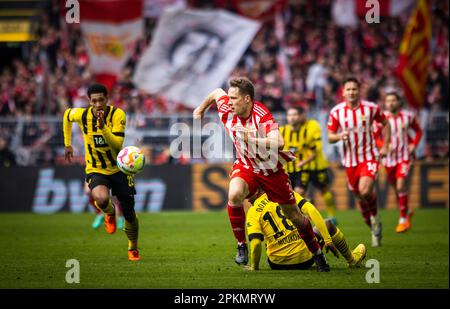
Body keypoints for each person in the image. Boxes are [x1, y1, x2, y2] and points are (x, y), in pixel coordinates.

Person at [194, 77, 337, 270]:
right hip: (246, 166)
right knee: (234, 194)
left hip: (271, 170)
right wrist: (201, 108)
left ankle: (318, 255)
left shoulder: (260, 115)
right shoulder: (228, 109)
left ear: (247, 99)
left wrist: (251, 138)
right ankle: (241, 246)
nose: (229, 102)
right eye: (229, 98)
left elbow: (279, 142)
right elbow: (216, 93)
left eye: (234, 98)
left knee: (294, 216)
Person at [63, 83, 140, 261]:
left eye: (101, 100)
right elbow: (67, 115)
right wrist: (67, 143)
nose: (97, 104)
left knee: (130, 214)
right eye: (94, 101)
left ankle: (133, 247)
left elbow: (117, 145)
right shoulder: (82, 115)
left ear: (107, 99)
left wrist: (102, 127)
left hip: (119, 169)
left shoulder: (117, 114)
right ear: (89, 101)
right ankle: (110, 213)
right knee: (102, 198)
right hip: (96, 168)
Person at [327, 77, 391, 247]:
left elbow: (385, 123)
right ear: (343, 92)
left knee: (364, 190)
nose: (351, 92)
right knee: (359, 197)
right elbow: (330, 136)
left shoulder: (371, 108)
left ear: (359, 90)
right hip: (350, 161)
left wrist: (385, 146)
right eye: (348, 89)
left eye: (354, 89)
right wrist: (339, 136)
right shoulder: (337, 111)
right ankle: (373, 227)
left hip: (368, 157)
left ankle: (375, 217)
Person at [246, 189, 366, 270]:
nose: (246, 198)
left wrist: (254, 268)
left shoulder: (252, 211)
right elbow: (312, 211)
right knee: (328, 224)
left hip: (277, 264)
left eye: (247, 191)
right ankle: (352, 260)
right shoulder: (286, 193)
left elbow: (256, 244)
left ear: (256, 190)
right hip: (306, 259)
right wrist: (328, 240)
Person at [280, 107, 338, 224]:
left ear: (302, 115)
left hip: (316, 166)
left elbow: (316, 148)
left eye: (295, 115)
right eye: (290, 115)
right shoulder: (283, 131)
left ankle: (331, 216)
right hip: (296, 168)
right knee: (299, 194)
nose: (292, 118)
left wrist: (302, 162)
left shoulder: (312, 126)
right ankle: (309, 214)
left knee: (324, 189)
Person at [375, 92, 422, 233]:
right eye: (388, 101)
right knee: (396, 189)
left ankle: (402, 219)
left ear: (398, 102)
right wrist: (383, 145)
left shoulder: (408, 117)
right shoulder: (382, 119)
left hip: (404, 157)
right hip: (389, 159)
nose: (390, 103)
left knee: (401, 185)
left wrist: (414, 144)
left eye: (393, 100)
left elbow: (418, 131)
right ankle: (407, 211)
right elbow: (375, 136)